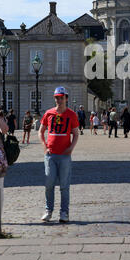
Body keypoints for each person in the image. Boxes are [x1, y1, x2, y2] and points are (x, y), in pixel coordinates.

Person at [38, 86, 79, 223]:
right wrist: (44, 146)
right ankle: (49, 210)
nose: (59, 100)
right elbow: (41, 131)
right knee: (49, 183)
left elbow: (76, 134)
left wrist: (71, 148)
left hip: (65, 155)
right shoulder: (49, 113)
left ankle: (64, 212)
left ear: (66, 98)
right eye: (57, 98)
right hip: (50, 155)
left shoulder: (71, 115)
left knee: (64, 185)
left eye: (61, 97)